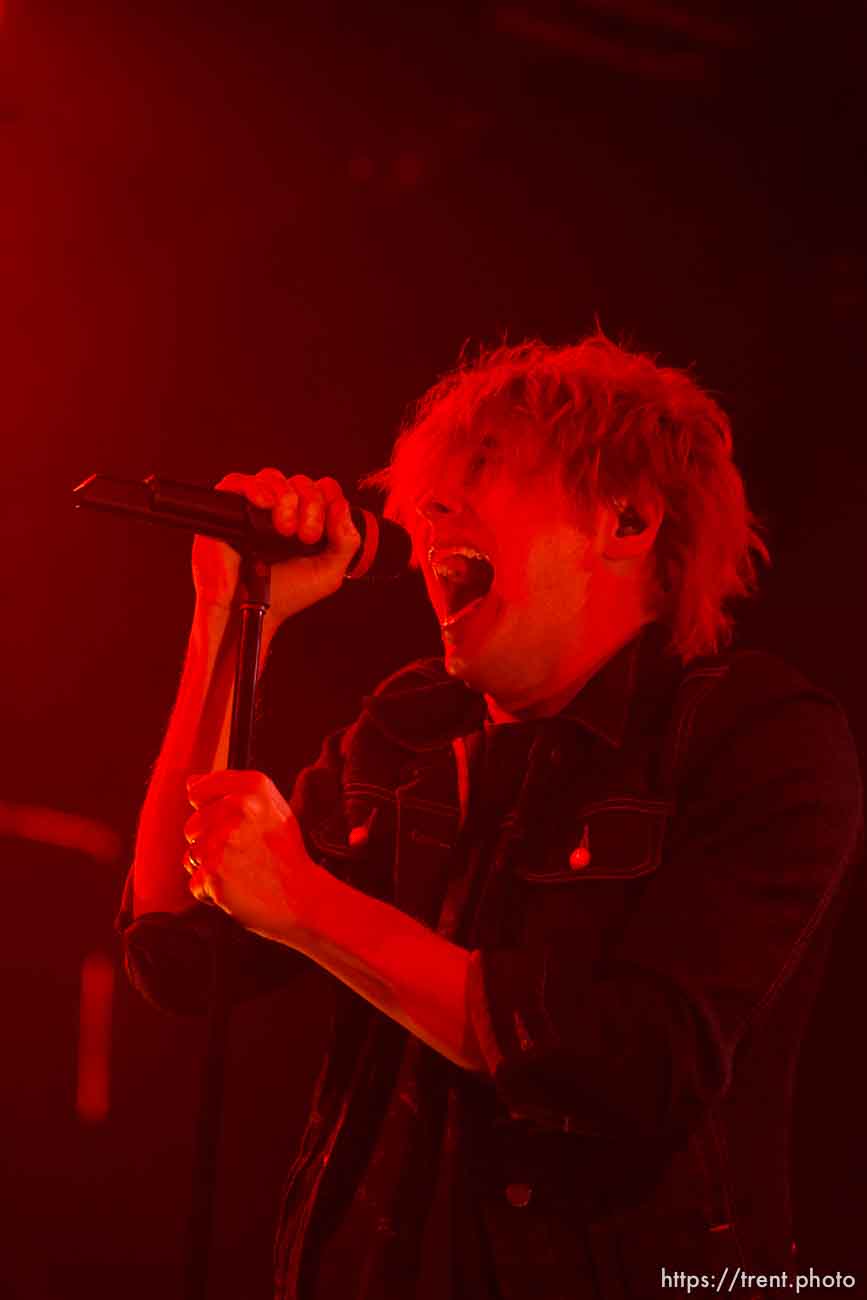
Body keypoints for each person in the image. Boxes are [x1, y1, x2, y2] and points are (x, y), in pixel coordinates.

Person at [119, 331, 863, 1299]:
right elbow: (177, 949)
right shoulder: (408, 729)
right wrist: (229, 617)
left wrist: (307, 901)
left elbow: (629, 1063)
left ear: (627, 520)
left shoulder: (756, 739)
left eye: (484, 468)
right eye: (427, 486)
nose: (425, 510)